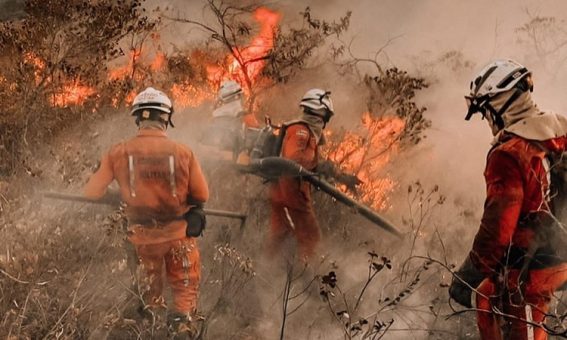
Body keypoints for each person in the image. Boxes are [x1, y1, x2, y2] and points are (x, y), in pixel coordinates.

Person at [83, 87, 209, 335]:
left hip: (141, 238)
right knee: (184, 296)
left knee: (149, 300)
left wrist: (120, 194)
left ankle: (151, 327)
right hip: (179, 238)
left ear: (138, 118)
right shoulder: (183, 152)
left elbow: (91, 192)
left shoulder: (117, 151)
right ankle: (181, 326)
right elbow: (202, 195)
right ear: (166, 118)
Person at [464, 59, 567, 339]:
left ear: (499, 105)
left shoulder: (508, 153)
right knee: (485, 295)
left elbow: (498, 228)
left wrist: (469, 273)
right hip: (560, 259)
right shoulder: (559, 131)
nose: (487, 119)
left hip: (532, 271)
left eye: (485, 110)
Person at [268, 89, 360, 261]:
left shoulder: (308, 133)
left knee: (281, 237)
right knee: (310, 236)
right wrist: (319, 166)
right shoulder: (300, 130)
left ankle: (278, 274)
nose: (326, 120)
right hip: (290, 192)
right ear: (319, 111)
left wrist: (343, 177)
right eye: (326, 115)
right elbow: (294, 158)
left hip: (292, 192)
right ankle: (306, 277)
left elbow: (317, 163)